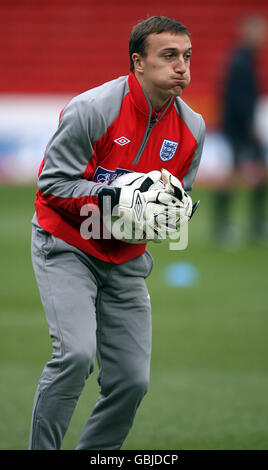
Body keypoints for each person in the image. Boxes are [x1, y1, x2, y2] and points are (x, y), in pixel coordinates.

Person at [29, 15, 206, 450]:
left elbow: (169, 203)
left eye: (186, 56)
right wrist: (117, 196)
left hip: (126, 261)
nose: (181, 66)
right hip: (67, 245)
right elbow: (52, 184)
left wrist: (168, 213)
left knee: (131, 381)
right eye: (168, 56)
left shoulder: (193, 128)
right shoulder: (92, 109)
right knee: (74, 357)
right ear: (138, 63)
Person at [213, 15, 267, 246]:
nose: (262, 37)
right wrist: (251, 126)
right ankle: (224, 226)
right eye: (259, 31)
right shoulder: (240, 62)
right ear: (248, 33)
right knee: (234, 176)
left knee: (250, 176)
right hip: (240, 131)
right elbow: (235, 100)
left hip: (240, 129)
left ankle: (252, 224)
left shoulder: (246, 59)